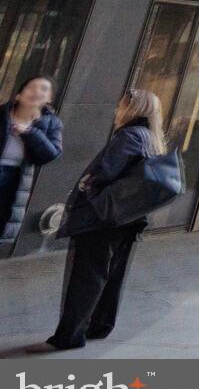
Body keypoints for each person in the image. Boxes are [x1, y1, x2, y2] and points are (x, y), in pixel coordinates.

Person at [48, 89, 164, 350]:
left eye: (121, 105)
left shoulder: (129, 135)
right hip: (127, 219)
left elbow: (104, 172)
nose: (116, 110)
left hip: (103, 218)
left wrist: (84, 188)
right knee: (111, 275)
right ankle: (99, 326)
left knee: (86, 276)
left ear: (133, 108)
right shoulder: (150, 138)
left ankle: (69, 336)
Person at [3, 75, 63, 247]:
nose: (36, 91)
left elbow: (50, 154)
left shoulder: (52, 123)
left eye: (43, 89)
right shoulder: (3, 114)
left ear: (49, 98)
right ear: (19, 95)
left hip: (15, 180)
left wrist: (30, 133)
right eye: (31, 87)